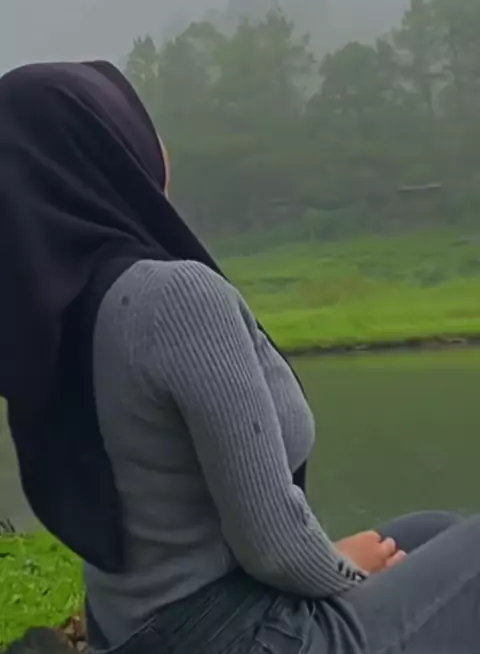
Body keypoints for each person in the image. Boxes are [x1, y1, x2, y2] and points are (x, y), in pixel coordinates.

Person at [0, 61, 478, 654]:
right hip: (241, 636)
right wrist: (350, 575)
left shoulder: (53, 318)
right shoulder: (172, 297)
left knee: (432, 531)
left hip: (135, 631)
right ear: (101, 150)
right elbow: (275, 548)